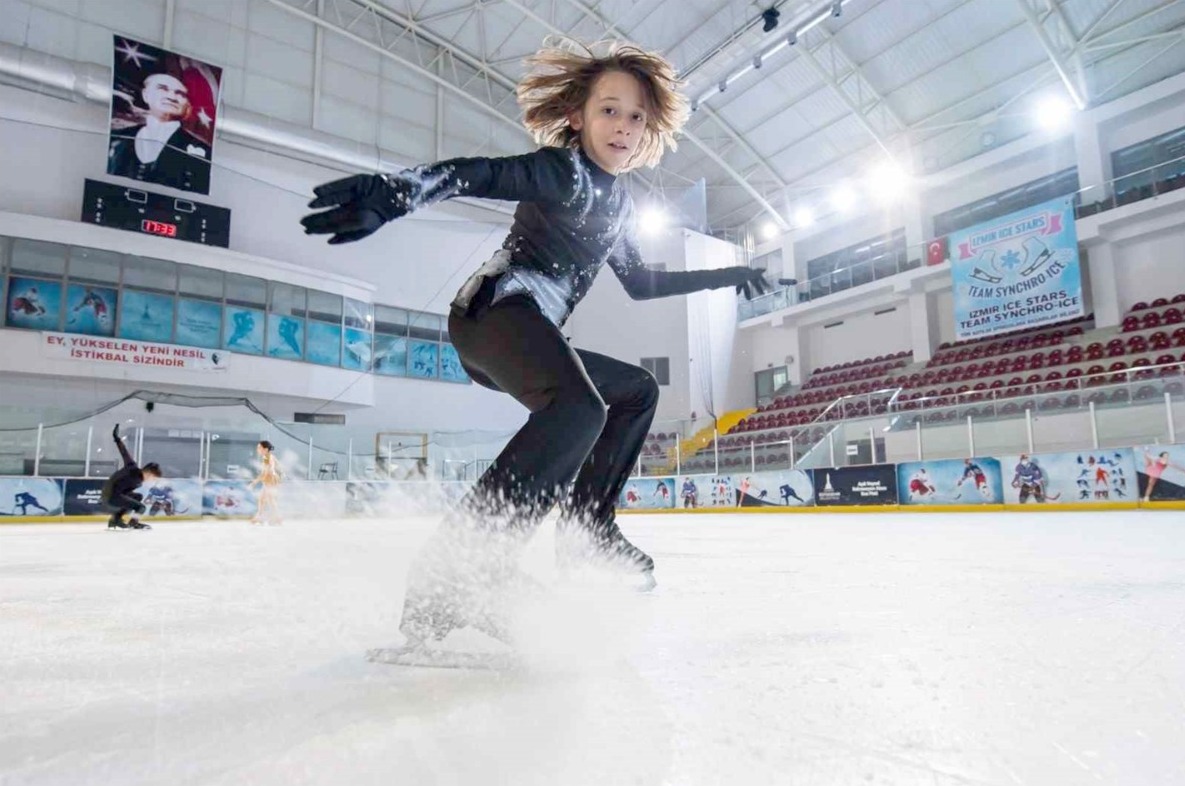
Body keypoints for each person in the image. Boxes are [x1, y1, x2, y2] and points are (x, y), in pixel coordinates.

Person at [302, 40, 768, 646]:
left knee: (634, 393)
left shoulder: (617, 202)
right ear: (577, 116)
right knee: (580, 409)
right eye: (609, 110)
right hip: (494, 313)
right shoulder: (562, 171)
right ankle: (455, 576)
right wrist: (397, 194)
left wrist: (729, 273)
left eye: (635, 117)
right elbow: (478, 173)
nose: (622, 128)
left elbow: (645, 282)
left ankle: (585, 533)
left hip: (526, 331)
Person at [108, 72, 212, 193]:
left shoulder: (204, 152)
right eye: (162, 89)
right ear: (145, 95)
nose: (172, 97)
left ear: (187, 104)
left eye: (180, 94)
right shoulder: (116, 138)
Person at [101, 424, 160, 530]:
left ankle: (115, 519)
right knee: (141, 507)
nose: (152, 480)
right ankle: (133, 523)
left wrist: (117, 439)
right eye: (153, 477)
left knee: (138, 497)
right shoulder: (132, 467)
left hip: (114, 494)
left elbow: (124, 453)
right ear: (149, 473)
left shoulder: (138, 478)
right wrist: (117, 439)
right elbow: (124, 453)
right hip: (111, 495)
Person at [249, 440, 282, 525]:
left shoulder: (269, 457)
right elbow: (264, 472)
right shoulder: (265, 457)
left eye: (259, 447)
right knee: (262, 499)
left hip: (271, 480)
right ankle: (260, 517)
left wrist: (255, 482)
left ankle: (276, 518)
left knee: (269, 500)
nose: (258, 449)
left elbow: (271, 467)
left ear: (266, 449)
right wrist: (255, 482)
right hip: (269, 480)